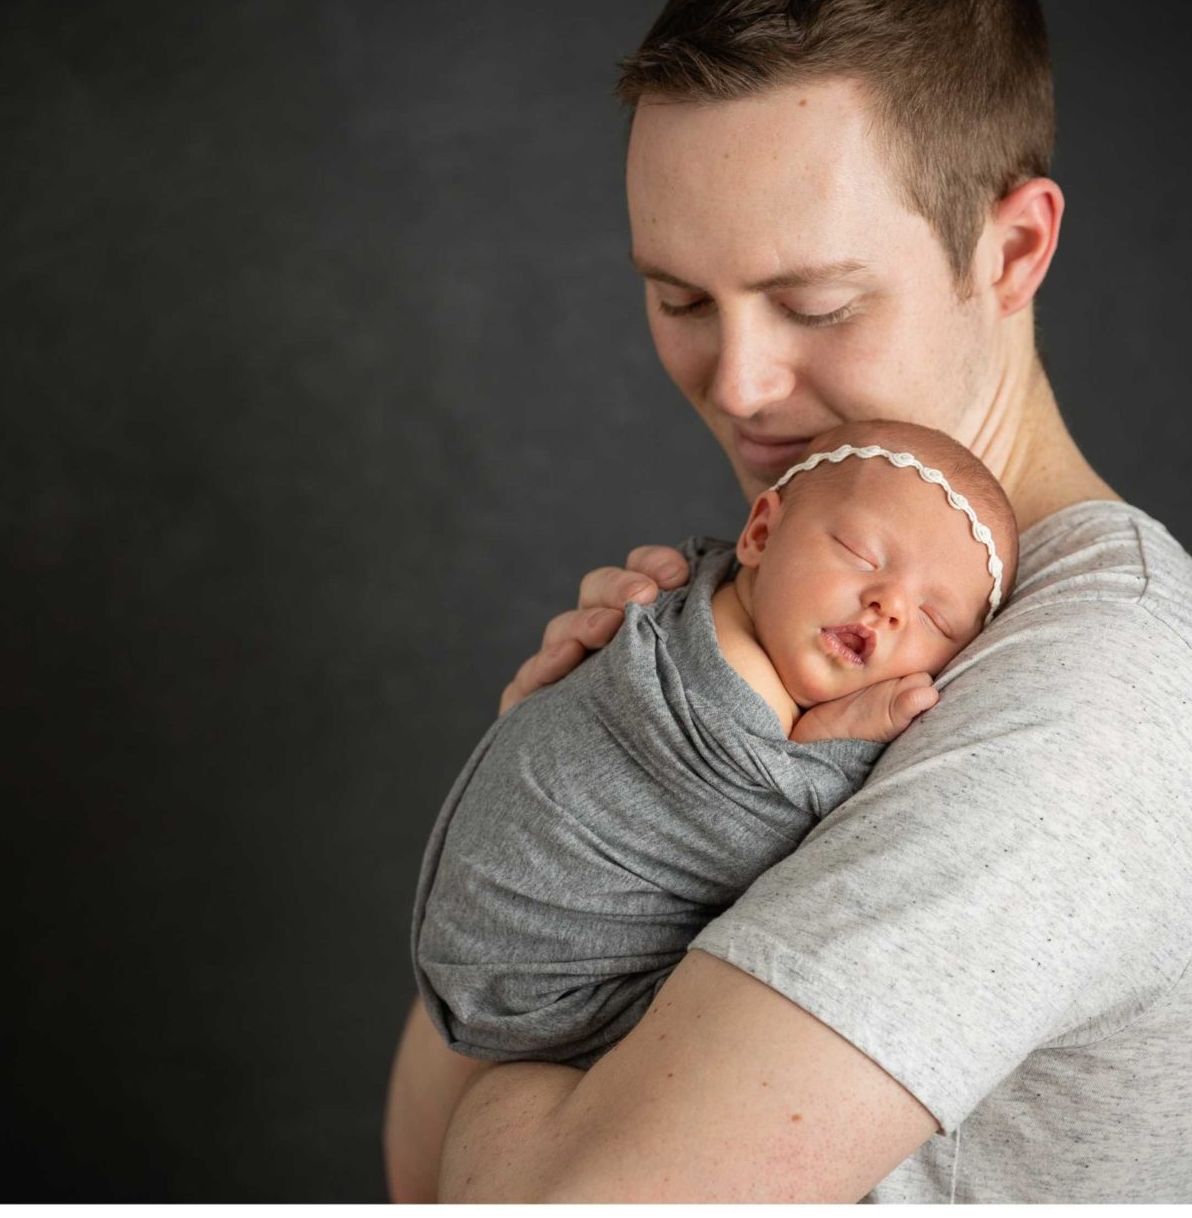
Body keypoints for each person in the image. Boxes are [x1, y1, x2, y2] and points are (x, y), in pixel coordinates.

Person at [383, 0, 1192, 1204]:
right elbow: (416, 1168)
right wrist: (564, 816)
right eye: (679, 297)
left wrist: (537, 1112)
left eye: (814, 304)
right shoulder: (744, 624)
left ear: (1015, 249)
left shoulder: (1116, 691)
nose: (739, 383)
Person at [412, 420, 1019, 1069]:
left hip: (486, 951)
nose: (889, 603)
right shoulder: (735, 681)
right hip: (546, 984)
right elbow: (793, 843)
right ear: (760, 533)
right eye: (861, 552)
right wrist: (837, 748)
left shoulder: (707, 590)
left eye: (934, 617)